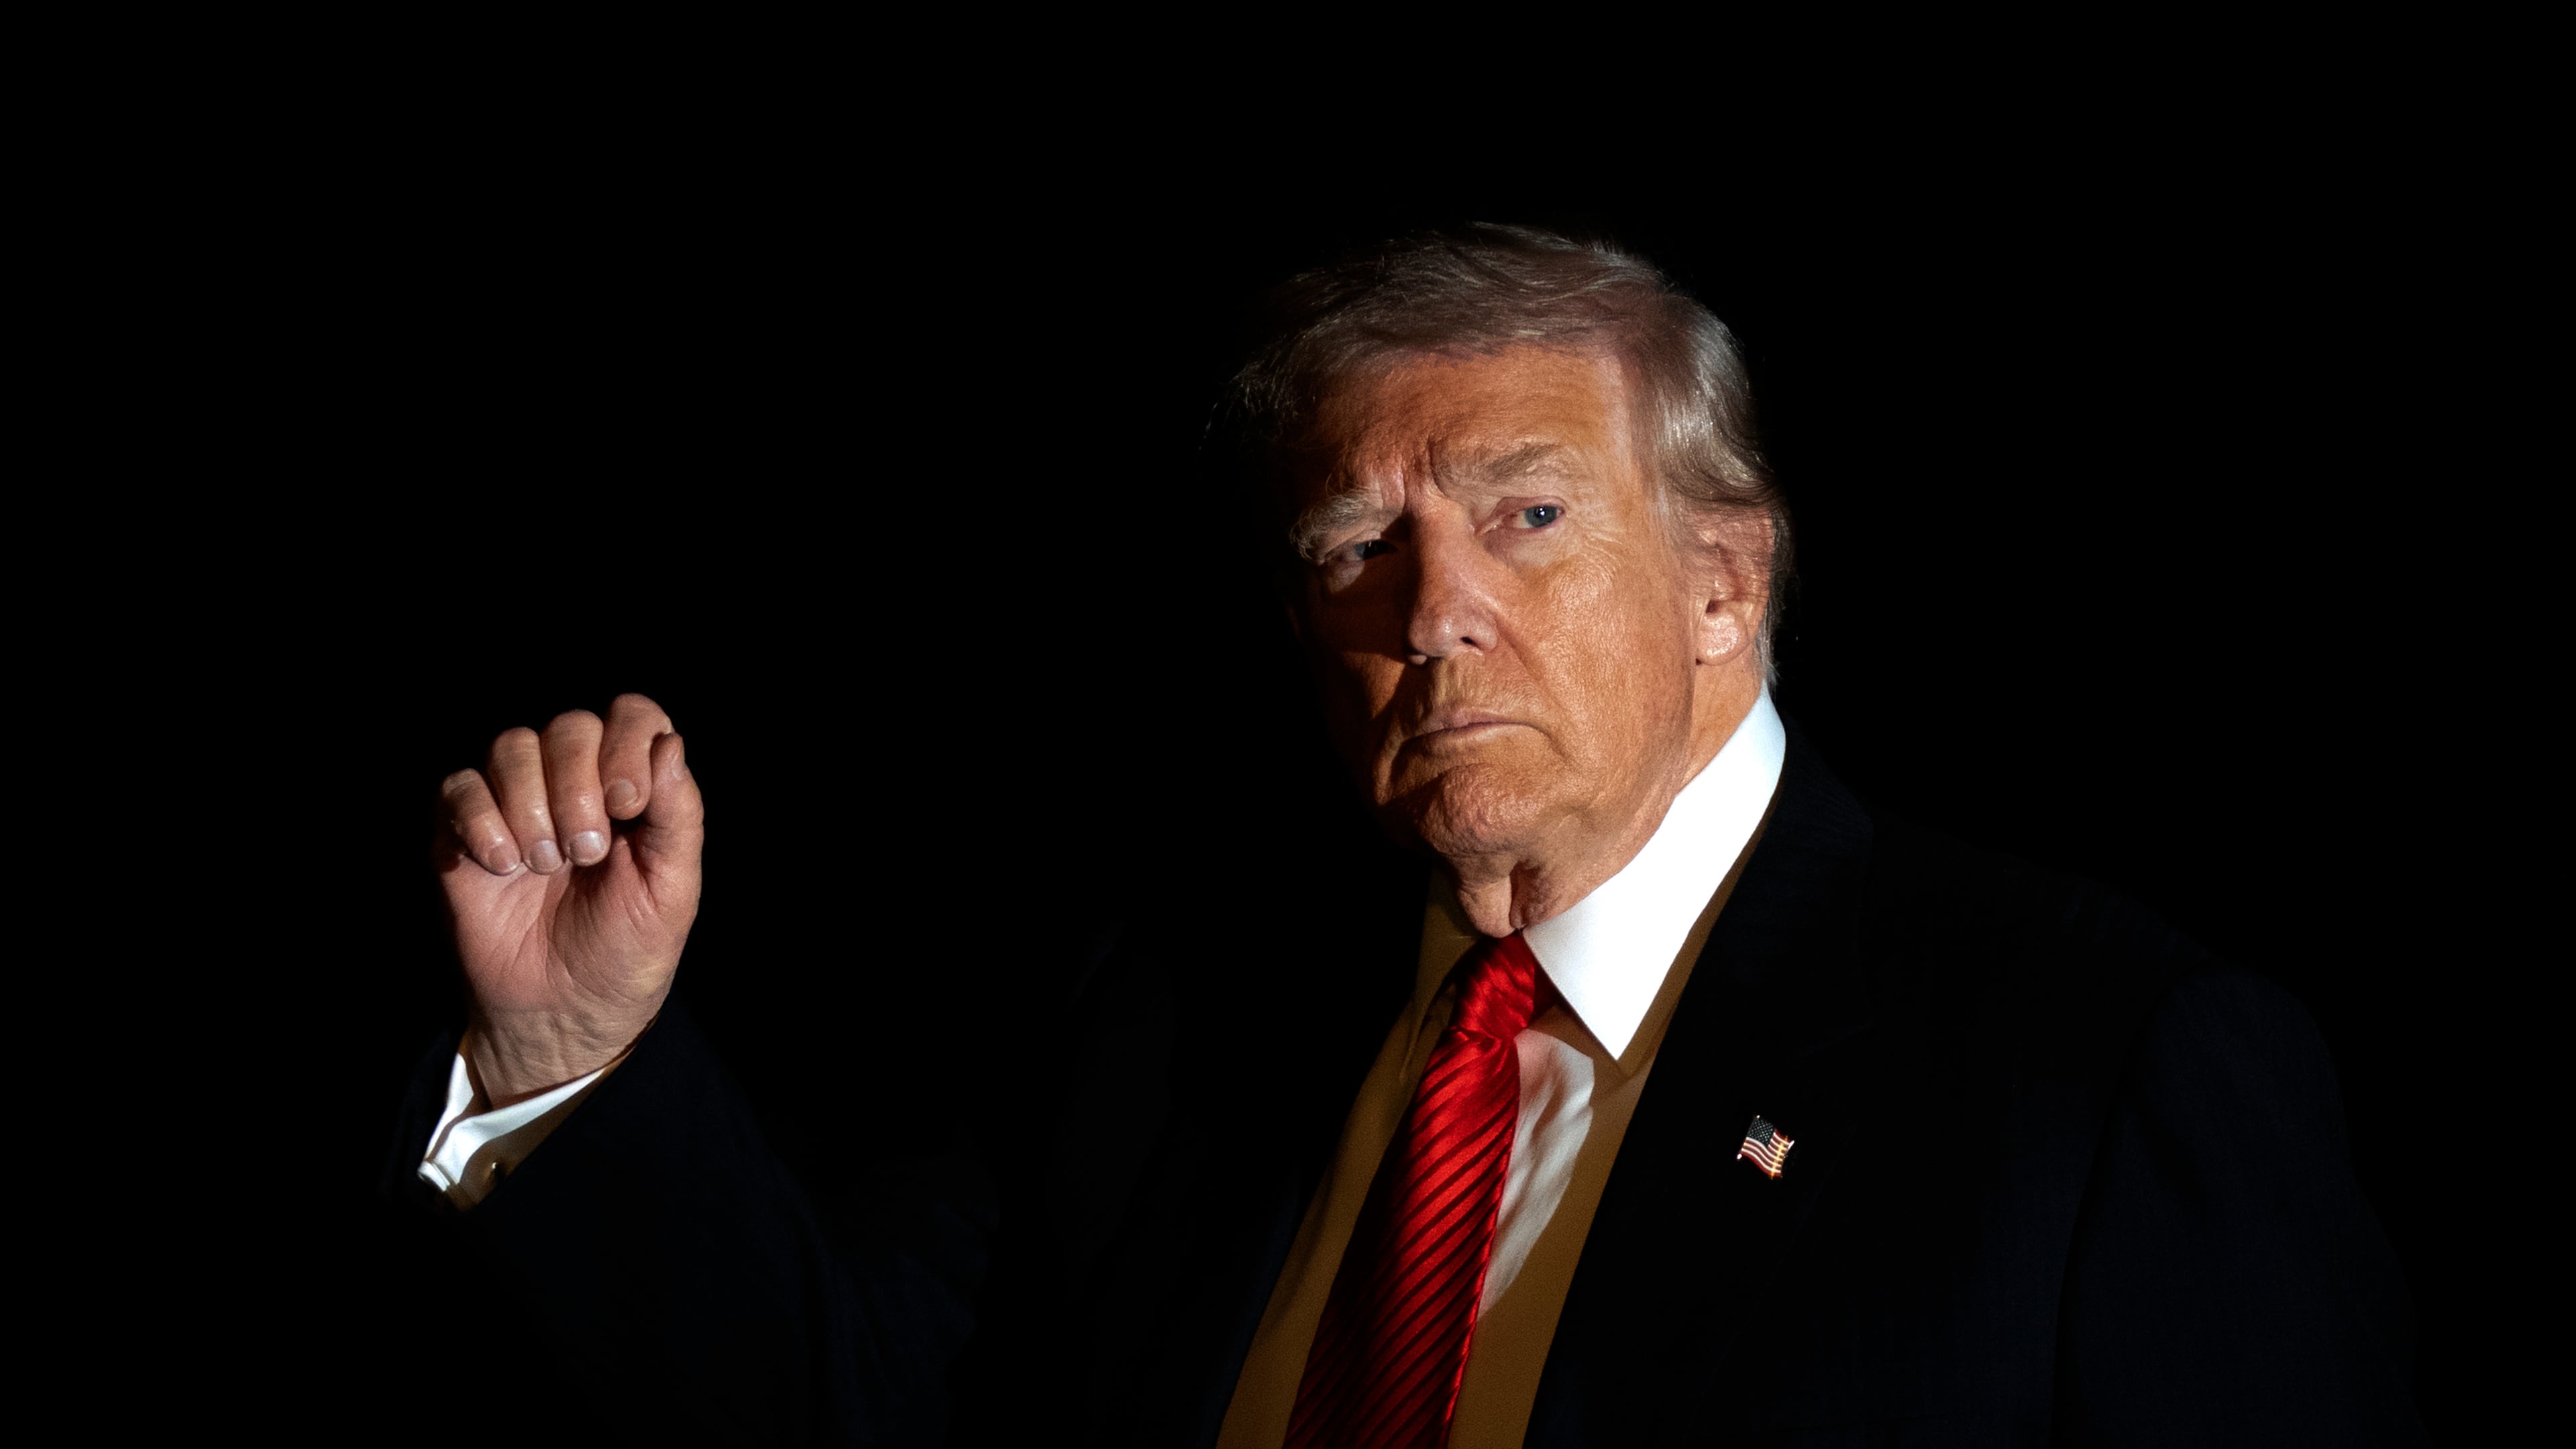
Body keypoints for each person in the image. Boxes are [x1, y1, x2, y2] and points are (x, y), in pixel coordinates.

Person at [390, 225, 2425, 1445]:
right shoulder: (1175, 1016)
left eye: (1526, 514)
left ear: (1727, 580)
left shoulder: (2104, 1067)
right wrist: (572, 1071)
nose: (1425, 606)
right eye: (1356, 542)